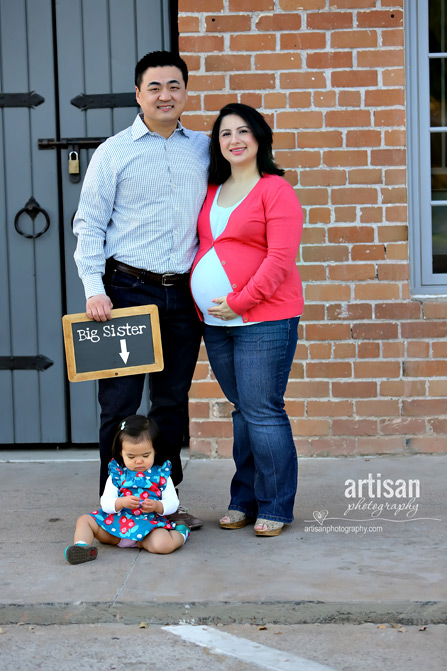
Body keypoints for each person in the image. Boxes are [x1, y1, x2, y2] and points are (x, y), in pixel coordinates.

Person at [73, 51, 210, 529]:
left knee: (171, 404)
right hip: (126, 292)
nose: (165, 95)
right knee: (120, 405)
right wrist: (95, 289)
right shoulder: (113, 151)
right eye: (154, 87)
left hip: (182, 296)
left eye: (174, 86)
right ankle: (111, 508)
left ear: (186, 92)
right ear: (138, 94)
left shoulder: (205, 148)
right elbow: (89, 224)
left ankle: (164, 504)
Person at [190, 103, 304, 537]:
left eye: (243, 131)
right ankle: (244, 498)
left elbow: (279, 260)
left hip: (264, 318)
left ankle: (275, 503)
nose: (234, 140)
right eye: (224, 134)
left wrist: (241, 301)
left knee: (263, 411)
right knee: (244, 412)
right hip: (217, 324)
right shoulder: (212, 188)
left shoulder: (275, 189)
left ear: (259, 137)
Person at [65, 415, 190, 564]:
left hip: (147, 528)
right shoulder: (117, 475)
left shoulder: (161, 476)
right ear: (121, 453)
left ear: (155, 450)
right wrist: (121, 502)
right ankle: (82, 547)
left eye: (145, 455)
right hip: (115, 528)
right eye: (131, 456)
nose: (139, 461)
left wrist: (158, 506)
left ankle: (181, 533)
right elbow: (105, 502)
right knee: (84, 520)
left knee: (163, 545)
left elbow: (172, 502)